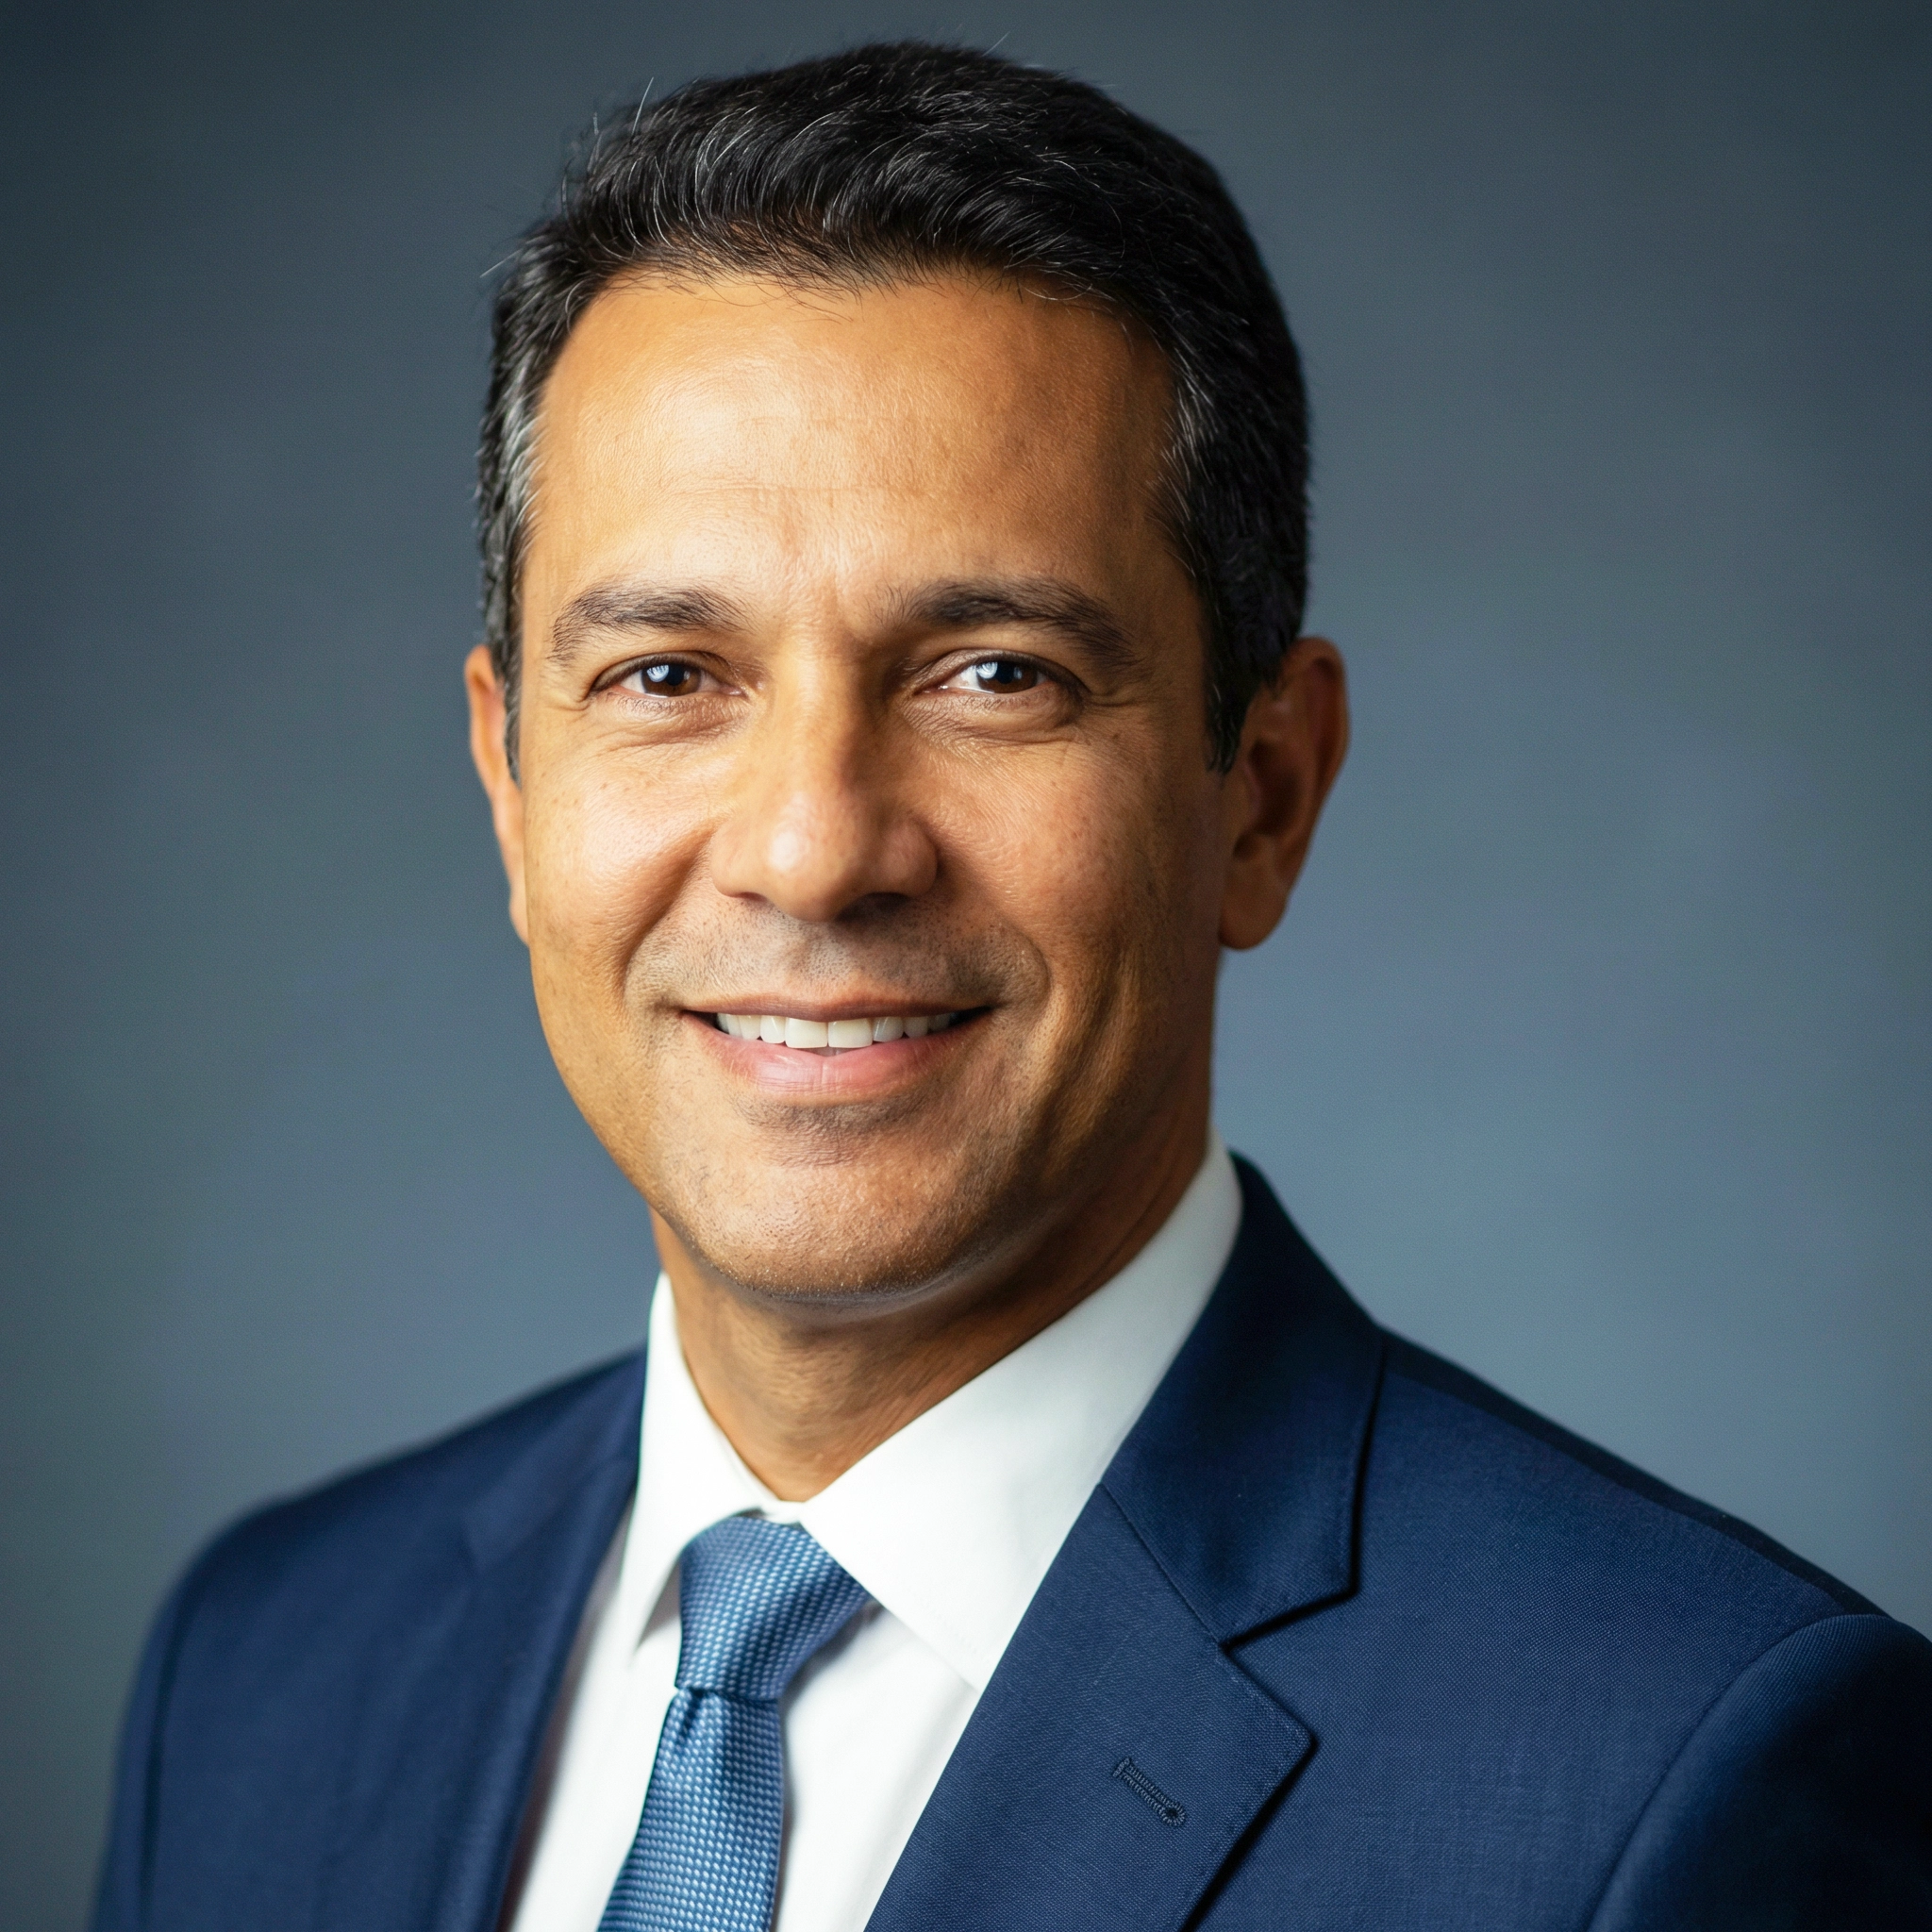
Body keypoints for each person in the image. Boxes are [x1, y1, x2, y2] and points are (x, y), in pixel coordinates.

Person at [92, 42, 1930, 1932]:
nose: (812, 848)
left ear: (1263, 796)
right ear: (509, 786)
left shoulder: (1681, 1775)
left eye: (993, 674)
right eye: (665, 676)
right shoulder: (262, 1667)